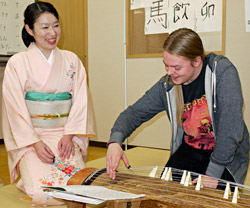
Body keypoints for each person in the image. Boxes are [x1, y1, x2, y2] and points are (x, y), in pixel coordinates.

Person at [106, 28, 250, 189]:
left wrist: (213, 173)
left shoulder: (222, 72)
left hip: (226, 155)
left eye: (176, 67)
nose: (169, 72)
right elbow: (134, 113)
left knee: (210, 201)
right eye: (166, 65)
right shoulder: (167, 85)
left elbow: (232, 128)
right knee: (164, 194)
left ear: (196, 61)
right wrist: (115, 142)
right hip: (191, 149)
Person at [2, 2, 95, 206]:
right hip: (32, 138)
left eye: (56, 25)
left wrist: (70, 135)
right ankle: (29, 174)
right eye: (44, 27)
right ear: (29, 29)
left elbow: (81, 102)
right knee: (43, 194)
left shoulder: (71, 60)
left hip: (65, 135)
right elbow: (14, 109)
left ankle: (29, 177)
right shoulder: (17, 63)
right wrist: (34, 142)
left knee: (80, 190)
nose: (52, 32)